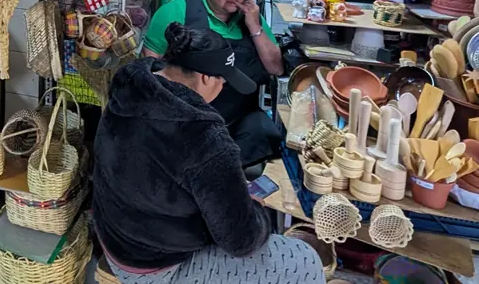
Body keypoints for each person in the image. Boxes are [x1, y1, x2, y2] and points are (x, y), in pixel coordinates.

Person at [93, 24, 324, 284]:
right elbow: (241, 241)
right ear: (205, 78)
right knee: (304, 259)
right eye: (223, 78)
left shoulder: (128, 90)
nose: (224, 84)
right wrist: (255, 214)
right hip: (154, 265)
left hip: (112, 238)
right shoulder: (203, 136)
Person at [143, 0, 284, 165]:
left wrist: (255, 26)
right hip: (189, 117)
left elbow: (276, 68)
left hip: (238, 118)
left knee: (266, 133)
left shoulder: (251, 17)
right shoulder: (178, 11)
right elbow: (150, 66)